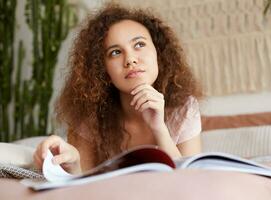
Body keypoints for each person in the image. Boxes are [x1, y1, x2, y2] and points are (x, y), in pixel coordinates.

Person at [34, 2, 204, 174]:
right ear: (103, 70)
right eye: (115, 52)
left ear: (158, 54)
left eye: (139, 44)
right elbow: (81, 186)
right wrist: (73, 165)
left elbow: (190, 182)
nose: (130, 59)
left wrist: (159, 127)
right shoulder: (88, 115)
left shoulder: (184, 109)